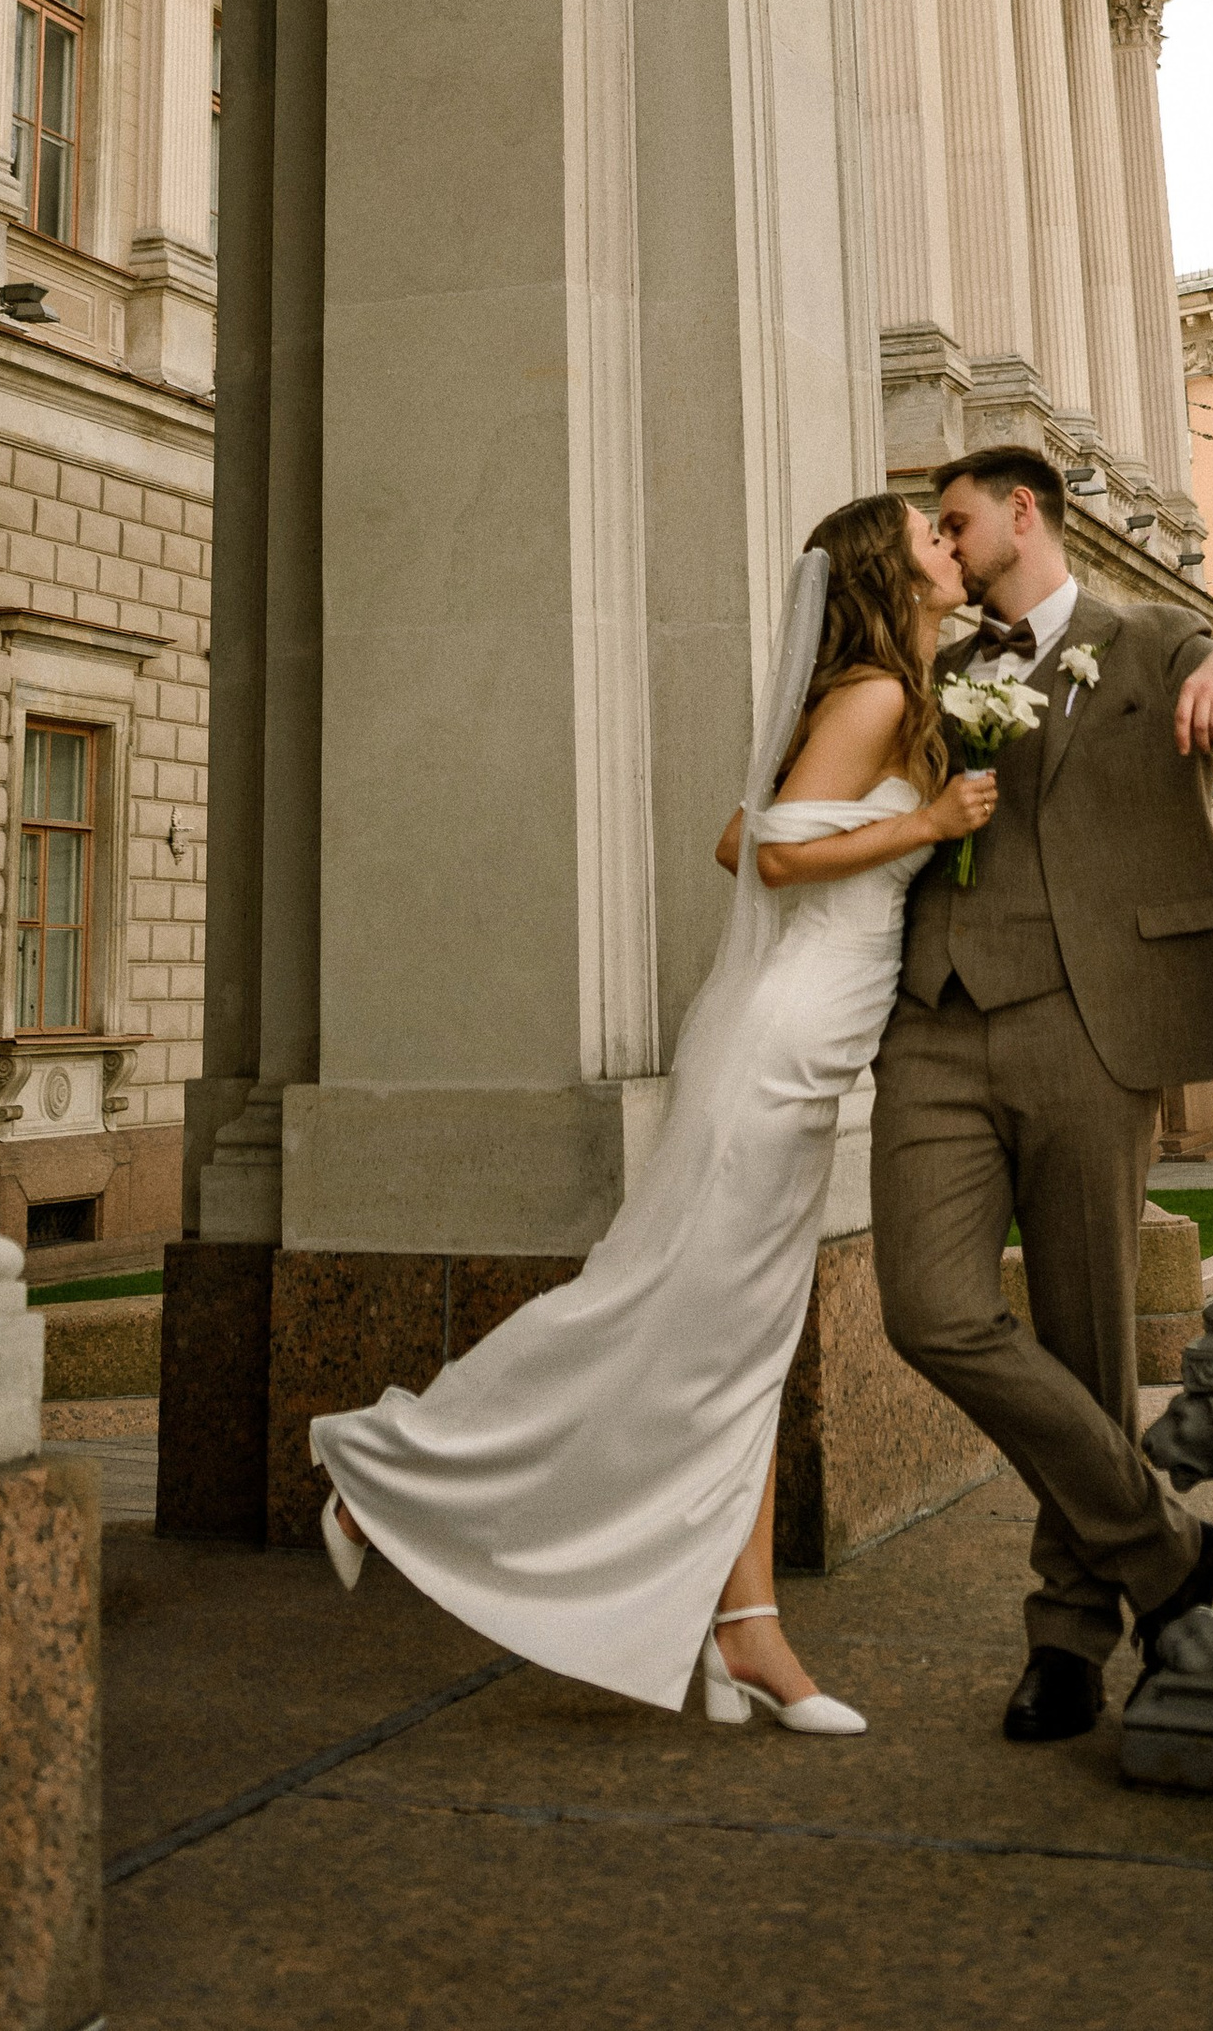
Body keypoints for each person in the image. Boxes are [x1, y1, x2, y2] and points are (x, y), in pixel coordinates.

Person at [309, 494, 997, 1729]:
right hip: (776, 1053)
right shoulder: (879, 698)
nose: (952, 544)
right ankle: (383, 1470)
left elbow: (741, 833)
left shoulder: (890, 688)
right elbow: (773, 851)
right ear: (885, 572)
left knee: (736, 1351)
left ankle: (741, 1634)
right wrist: (928, 824)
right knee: (652, 1311)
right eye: (928, 536)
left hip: (799, 1051)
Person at [871, 446, 1213, 1744]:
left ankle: (1067, 1634)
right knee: (932, 1307)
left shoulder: (1152, 633)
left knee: (1088, 1334)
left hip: (1089, 1027)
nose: (944, 540)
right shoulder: (941, 664)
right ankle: (1169, 1558)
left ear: (1022, 510)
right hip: (932, 1025)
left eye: (955, 519)